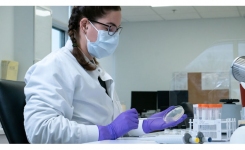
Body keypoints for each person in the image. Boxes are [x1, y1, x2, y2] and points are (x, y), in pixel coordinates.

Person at [23, 6, 187, 144]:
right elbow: (40, 129)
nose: (114, 36)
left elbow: (113, 125)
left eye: (117, 30)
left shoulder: (97, 72)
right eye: (109, 28)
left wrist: (146, 125)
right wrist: (106, 131)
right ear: (85, 25)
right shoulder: (54, 65)